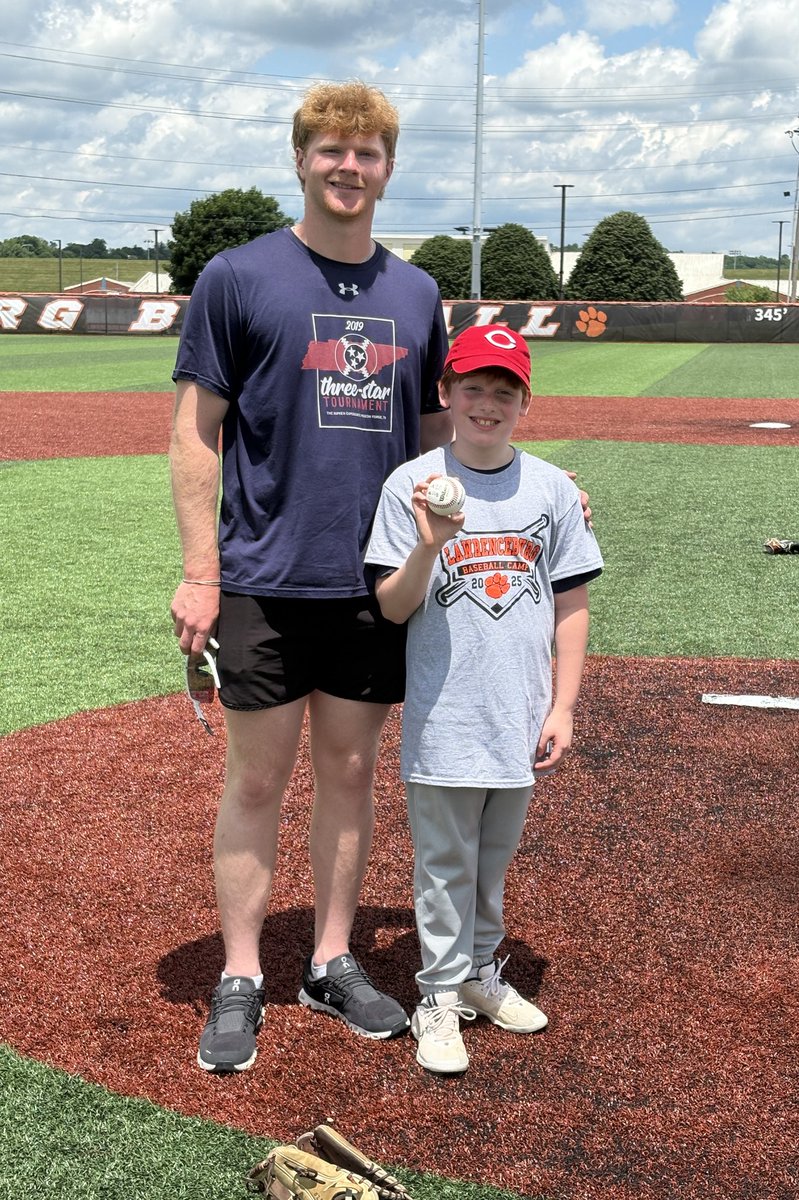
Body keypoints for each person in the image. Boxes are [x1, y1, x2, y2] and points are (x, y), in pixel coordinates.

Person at [169, 80, 453, 1072]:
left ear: (387, 167)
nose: (349, 167)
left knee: (348, 773)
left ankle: (331, 960)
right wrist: (200, 573)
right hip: (260, 576)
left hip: (372, 585)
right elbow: (196, 436)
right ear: (300, 160)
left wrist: (530, 500)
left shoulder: (417, 295)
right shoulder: (239, 278)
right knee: (256, 779)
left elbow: (434, 446)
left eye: (367, 152)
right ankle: (242, 970)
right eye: (331, 151)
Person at [364, 325, 604, 1073]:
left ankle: (476, 970)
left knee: (492, 860)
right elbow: (392, 607)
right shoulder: (409, 485)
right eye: (473, 387)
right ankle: (436, 994)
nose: (487, 404)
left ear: (525, 402)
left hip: (517, 711)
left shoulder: (553, 488)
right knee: (443, 864)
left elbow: (572, 603)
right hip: (445, 712)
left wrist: (562, 704)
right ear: (445, 393)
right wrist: (430, 542)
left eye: (505, 391)